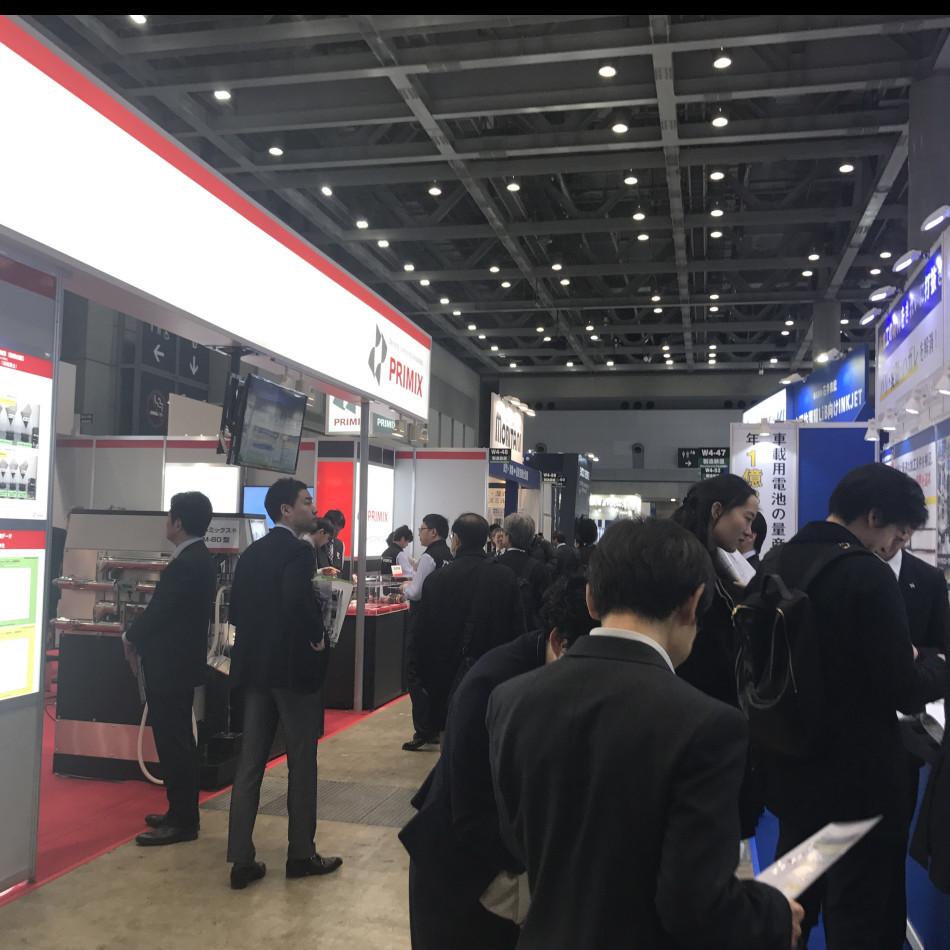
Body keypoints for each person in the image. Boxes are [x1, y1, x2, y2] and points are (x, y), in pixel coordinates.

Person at [487, 519, 801, 949]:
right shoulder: (709, 725)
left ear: (591, 598)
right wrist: (774, 915)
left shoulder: (510, 698)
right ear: (694, 603)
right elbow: (694, 906)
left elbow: (517, 841)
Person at [751, 463, 946, 948]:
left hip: (792, 769)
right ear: (874, 516)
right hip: (859, 785)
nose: (894, 546)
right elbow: (903, 687)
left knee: (790, 903)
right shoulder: (866, 574)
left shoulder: (776, 561)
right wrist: (939, 664)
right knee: (860, 914)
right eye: (897, 534)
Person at [400, 576, 597, 950]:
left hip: (504, 871)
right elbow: (469, 810)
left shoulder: (549, 674)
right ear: (559, 641)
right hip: (460, 877)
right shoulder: (493, 685)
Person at [226, 478, 341, 890]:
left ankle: (241, 859)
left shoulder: (252, 552)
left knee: (250, 763)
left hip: (255, 670)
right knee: (301, 761)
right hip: (293, 672)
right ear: (286, 510)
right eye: (306, 502)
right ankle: (301, 854)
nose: (313, 508)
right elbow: (297, 600)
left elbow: (235, 611)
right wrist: (316, 634)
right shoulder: (298, 551)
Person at [124, 491, 216, 846]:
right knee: (177, 740)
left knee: (174, 742)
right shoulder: (198, 558)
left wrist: (131, 636)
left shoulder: (187, 563)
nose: (166, 523)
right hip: (179, 663)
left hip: (171, 666)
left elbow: (161, 612)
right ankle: (179, 811)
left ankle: (183, 820)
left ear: (178, 522)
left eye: (169, 517)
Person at [403, 513, 524, 753]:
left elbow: (422, 636)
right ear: (486, 539)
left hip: (446, 676)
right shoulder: (505, 577)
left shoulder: (436, 580)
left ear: (456, 539)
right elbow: (517, 629)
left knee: (451, 745)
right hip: (493, 673)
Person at [671, 474, 759, 707]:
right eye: (747, 518)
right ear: (717, 510)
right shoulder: (692, 565)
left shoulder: (697, 556)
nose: (748, 531)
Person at [403, 513, 454, 750]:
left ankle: (423, 729)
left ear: (433, 532)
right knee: (436, 677)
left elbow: (416, 592)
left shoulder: (428, 557)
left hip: (422, 623)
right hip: (442, 623)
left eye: (422, 529)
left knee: (415, 675)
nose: (419, 533)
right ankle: (435, 726)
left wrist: (404, 588)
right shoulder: (448, 556)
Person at [498, 513, 552, 631]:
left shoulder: (495, 563)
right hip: (528, 630)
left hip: (498, 628)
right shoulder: (539, 568)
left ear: (508, 536)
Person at [322, 508, 346, 573]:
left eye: (338, 530)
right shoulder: (318, 542)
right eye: (335, 529)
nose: (336, 533)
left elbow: (340, 570)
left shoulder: (340, 545)